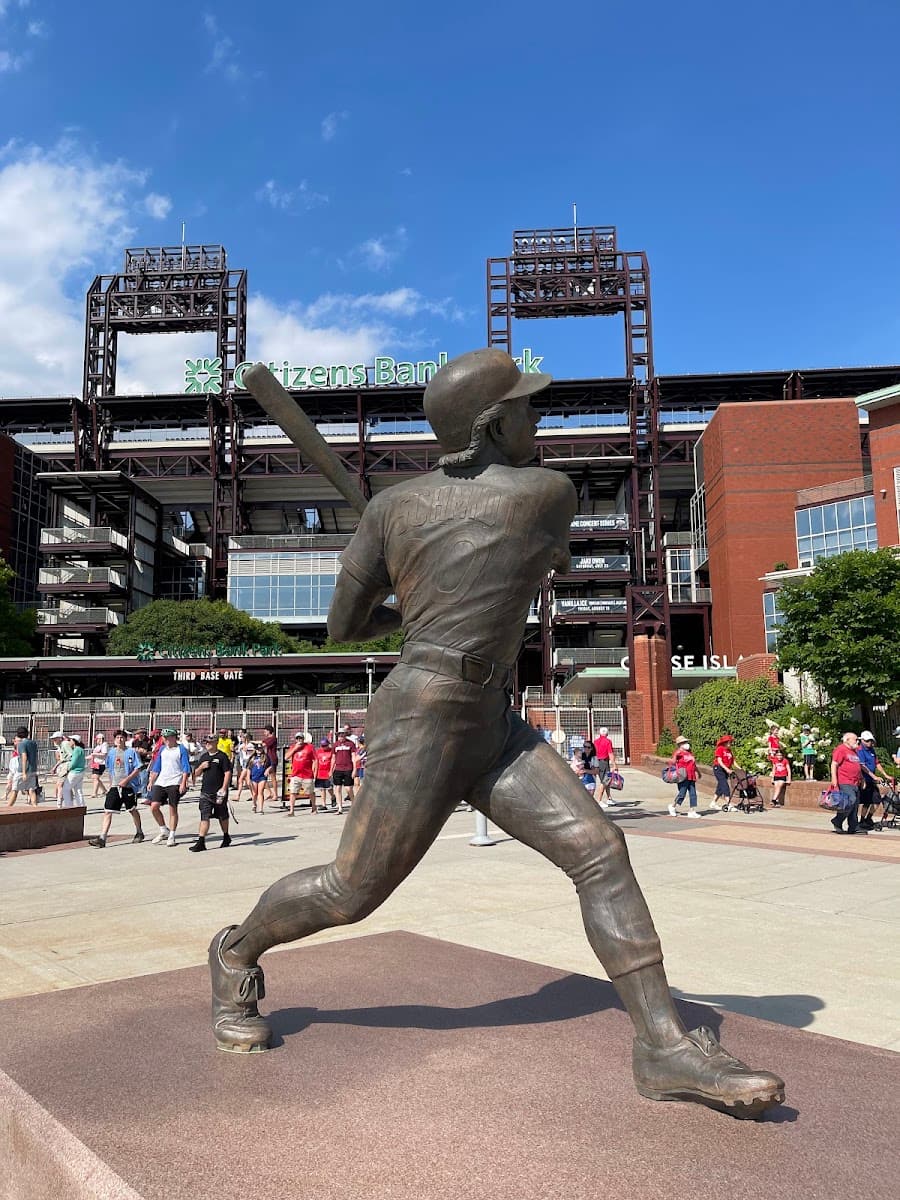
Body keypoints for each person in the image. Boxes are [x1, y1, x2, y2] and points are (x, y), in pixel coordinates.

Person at [207, 348, 783, 1118]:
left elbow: (344, 624)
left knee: (599, 851)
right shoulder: (538, 493)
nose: (537, 420)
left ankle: (663, 1048)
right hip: (421, 713)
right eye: (526, 408)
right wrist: (419, 580)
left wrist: (399, 576)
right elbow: (450, 580)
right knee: (350, 893)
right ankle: (237, 950)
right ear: (490, 425)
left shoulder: (437, 506)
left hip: (488, 718)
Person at [88, 731, 145, 847]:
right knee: (108, 811)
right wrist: (111, 784)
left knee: (132, 809)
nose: (120, 740)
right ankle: (102, 838)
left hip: (128, 786)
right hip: (115, 786)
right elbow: (109, 769)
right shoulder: (111, 753)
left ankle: (139, 832)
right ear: (114, 740)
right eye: (117, 738)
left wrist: (127, 780)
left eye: (122, 737)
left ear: (125, 739)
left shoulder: (131, 752)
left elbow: (137, 768)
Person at [147, 727, 190, 846]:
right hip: (161, 781)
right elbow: (157, 766)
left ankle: (172, 834)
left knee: (172, 808)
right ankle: (163, 829)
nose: (164, 740)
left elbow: (186, 767)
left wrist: (183, 782)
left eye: (166, 737)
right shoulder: (162, 749)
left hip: (175, 781)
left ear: (173, 737)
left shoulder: (181, 749)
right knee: (154, 806)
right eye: (163, 738)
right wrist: (151, 781)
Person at [190, 735, 233, 852]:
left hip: (218, 791)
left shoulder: (222, 757)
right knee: (205, 815)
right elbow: (196, 774)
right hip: (205, 792)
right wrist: (201, 767)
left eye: (210, 742)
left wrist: (224, 788)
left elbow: (227, 773)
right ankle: (201, 841)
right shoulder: (204, 757)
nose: (207, 744)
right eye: (206, 742)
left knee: (222, 815)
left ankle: (226, 836)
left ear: (216, 743)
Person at [856, 731, 891, 831]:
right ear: (862, 740)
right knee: (866, 801)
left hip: (871, 780)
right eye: (867, 741)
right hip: (864, 780)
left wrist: (885, 775)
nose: (869, 743)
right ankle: (862, 820)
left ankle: (868, 818)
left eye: (870, 741)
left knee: (876, 800)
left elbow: (877, 763)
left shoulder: (871, 750)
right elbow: (862, 766)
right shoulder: (860, 750)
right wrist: (874, 776)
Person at [830, 732, 863, 835]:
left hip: (855, 782)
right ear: (847, 740)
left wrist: (862, 779)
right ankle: (837, 820)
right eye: (855, 739)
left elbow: (857, 766)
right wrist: (834, 780)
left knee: (855, 805)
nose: (857, 741)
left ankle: (853, 827)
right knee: (850, 801)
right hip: (845, 781)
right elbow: (834, 764)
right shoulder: (841, 749)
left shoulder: (854, 751)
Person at [667, 741, 702, 818]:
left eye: (686, 742)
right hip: (683, 775)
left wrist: (698, 772)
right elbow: (672, 762)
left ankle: (692, 811)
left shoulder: (689, 753)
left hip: (691, 775)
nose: (686, 744)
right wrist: (676, 755)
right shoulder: (678, 752)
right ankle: (673, 806)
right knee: (682, 793)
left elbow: (693, 764)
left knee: (693, 793)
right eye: (684, 743)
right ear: (680, 745)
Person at [286, 734, 315, 816]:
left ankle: (314, 807)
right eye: (297, 738)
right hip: (296, 774)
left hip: (307, 774)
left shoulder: (309, 747)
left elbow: (315, 760)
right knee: (293, 792)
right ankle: (291, 811)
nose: (299, 740)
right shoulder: (293, 747)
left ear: (303, 739)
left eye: (301, 738)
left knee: (310, 792)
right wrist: (295, 749)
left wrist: (314, 772)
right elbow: (286, 757)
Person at [12, 725, 39, 806]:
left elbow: (24, 757)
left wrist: (23, 772)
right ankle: (35, 807)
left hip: (22, 770)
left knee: (15, 790)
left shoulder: (21, 744)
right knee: (31, 790)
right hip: (32, 769)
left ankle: (8, 808)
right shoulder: (33, 743)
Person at [592, 725, 617, 808]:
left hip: (596, 762)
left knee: (607, 781)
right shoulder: (608, 741)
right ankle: (599, 800)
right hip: (604, 762)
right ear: (607, 734)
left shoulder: (595, 741)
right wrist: (614, 764)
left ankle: (609, 798)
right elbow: (610, 753)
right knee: (605, 781)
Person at [331, 730, 355, 814]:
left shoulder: (351, 744)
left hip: (348, 768)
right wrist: (331, 770)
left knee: (348, 789)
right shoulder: (335, 745)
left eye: (342, 735)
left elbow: (353, 757)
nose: (341, 737)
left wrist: (354, 769)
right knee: (337, 788)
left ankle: (354, 805)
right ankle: (340, 808)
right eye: (339, 735)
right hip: (338, 769)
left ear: (345, 735)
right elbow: (333, 758)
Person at [710, 735, 735, 812]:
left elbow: (733, 761)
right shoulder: (720, 749)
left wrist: (740, 768)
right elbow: (719, 761)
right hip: (719, 769)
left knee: (720, 786)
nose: (730, 744)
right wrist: (726, 769)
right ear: (725, 742)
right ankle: (728, 803)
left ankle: (713, 803)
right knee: (725, 785)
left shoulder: (729, 751)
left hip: (726, 769)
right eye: (729, 742)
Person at [62, 735, 86, 808]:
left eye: (70, 740)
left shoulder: (76, 750)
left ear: (74, 741)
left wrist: (67, 769)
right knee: (78, 790)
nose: (69, 742)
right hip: (81, 772)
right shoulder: (81, 749)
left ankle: (68, 806)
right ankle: (81, 806)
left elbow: (73, 762)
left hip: (74, 772)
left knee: (65, 789)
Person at [50, 730, 73, 806]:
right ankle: (69, 803)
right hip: (64, 765)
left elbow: (71, 755)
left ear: (60, 738)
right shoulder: (60, 746)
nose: (54, 740)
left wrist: (68, 765)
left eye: (55, 739)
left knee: (60, 784)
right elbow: (61, 759)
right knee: (67, 785)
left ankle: (59, 804)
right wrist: (55, 767)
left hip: (66, 765)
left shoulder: (65, 744)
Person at [313, 739, 335, 812]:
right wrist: (314, 771)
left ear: (328, 744)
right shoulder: (318, 751)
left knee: (329, 788)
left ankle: (333, 797)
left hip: (328, 772)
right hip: (320, 772)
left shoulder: (331, 751)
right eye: (322, 746)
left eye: (325, 745)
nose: (323, 747)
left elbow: (333, 761)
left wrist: (331, 771)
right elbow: (315, 761)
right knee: (322, 788)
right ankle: (323, 804)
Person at [233, 732, 255, 803]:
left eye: (242, 737)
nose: (241, 739)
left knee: (241, 779)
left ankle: (238, 796)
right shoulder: (241, 745)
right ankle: (253, 794)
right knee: (248, 781)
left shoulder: (250, 745)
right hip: (243, 763)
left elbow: (253, 751)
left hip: (248, 762)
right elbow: (238, 752)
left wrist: (247, 749)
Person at [260, 725, 279, 807]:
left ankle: (275, 795)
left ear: (269, 731)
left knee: (273, 777)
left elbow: (263, 743)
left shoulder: (273, 738)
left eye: (265, 731)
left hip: (272, 758)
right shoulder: (267, 739)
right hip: (267, 759)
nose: (264, 732)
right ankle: (270, 792)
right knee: (262, 776)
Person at [249, 747, 269, 813]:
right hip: (253, 777)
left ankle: (261, 808)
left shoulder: (265, 757)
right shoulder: (252, 758)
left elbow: (271, 765)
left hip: (262, 777)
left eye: (260, 749)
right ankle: (254, 805)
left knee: (260, 792)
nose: (259, 750)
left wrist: (267, 770)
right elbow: (248, 768)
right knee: (255, 793)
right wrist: (248, 778)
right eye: (257, 749)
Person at [353, 736, 366, 800]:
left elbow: (356, 759)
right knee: (357, 784)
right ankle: (358, 798)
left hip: (363, 768)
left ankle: (362, 798)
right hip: (358, 767)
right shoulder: (357, 749)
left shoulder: (363, 749)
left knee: (362, 784)